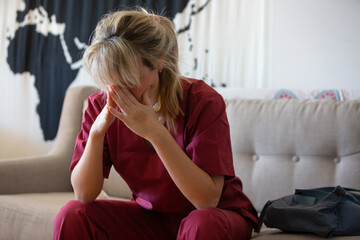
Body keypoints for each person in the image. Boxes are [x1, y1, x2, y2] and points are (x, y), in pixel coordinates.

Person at [53, 8, 258, 240]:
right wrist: (97, 134)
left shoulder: (203, 101)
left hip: (215, 216)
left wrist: (155, 133)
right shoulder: (99, 106)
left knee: (201, 224)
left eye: (130, 79)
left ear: (159, 62)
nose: (122, 92)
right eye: (112, 80)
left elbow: (207, 200)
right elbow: (83, 194)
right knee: (72, 214)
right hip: (152, 218)